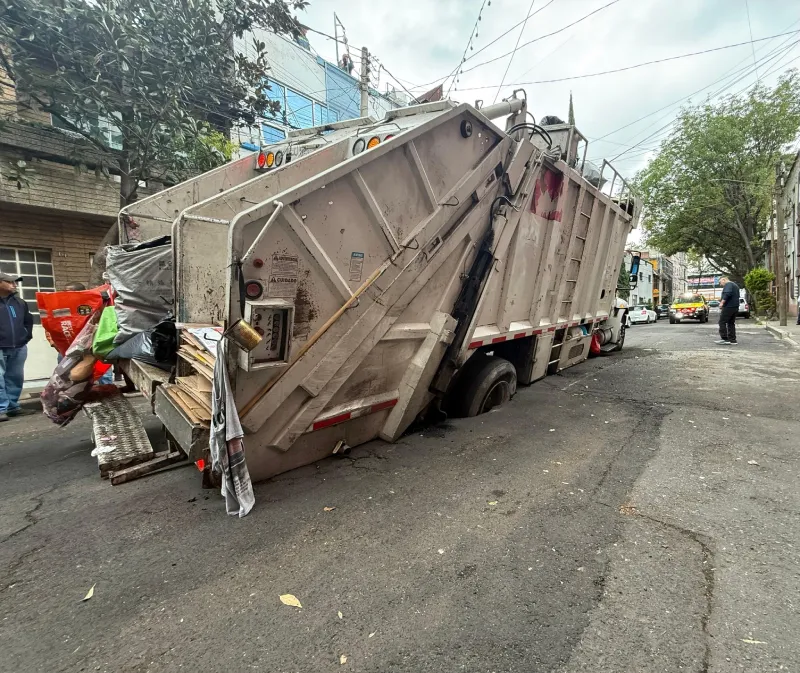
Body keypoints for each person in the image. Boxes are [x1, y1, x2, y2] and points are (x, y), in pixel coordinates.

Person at [0, 273, 36, 421]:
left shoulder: (19, 302)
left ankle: (12, 407)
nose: (15, 285)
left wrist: (26, 336)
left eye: (15, 282)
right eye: (10, 282)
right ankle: (2, 408)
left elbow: (28, 320)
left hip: (19, 346)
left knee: (15, 377)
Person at [715, 276, 739, 345]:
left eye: (720, 282)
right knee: (731, 323)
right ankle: (733, 340)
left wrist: (722, 303)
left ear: (724, 280)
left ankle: (725, 339)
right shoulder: (735, 285)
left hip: (728, 306)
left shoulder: (728, 284)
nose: (720, 284)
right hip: (735, 306)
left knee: (722, 322)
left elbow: (727, 294)